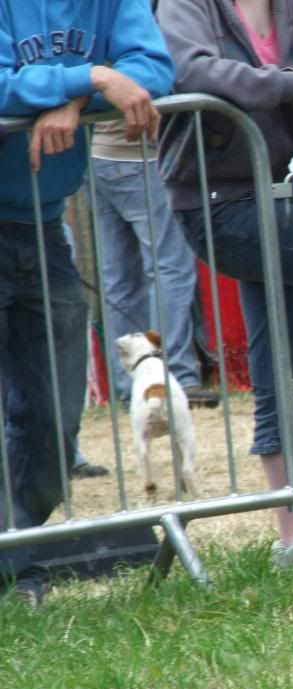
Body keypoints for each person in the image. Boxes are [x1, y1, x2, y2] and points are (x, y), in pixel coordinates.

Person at [156, 0, 293, 568]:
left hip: (278, 187)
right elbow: (189, 70)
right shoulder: (187, 4)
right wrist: (291, 84)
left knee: (274, 356)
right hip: (216, 200)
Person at [0, 0, 172, 606]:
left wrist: (73, 103)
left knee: (54, 419)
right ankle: (19, 571)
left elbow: (154, 66)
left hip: (45, 228)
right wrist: (94, 78)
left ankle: (17, 548)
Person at [91, 118, 220, 409]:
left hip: (100, 152)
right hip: (142, 156)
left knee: (120, 279)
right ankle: (175, 378)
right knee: (171, 269)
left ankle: (131, 386)